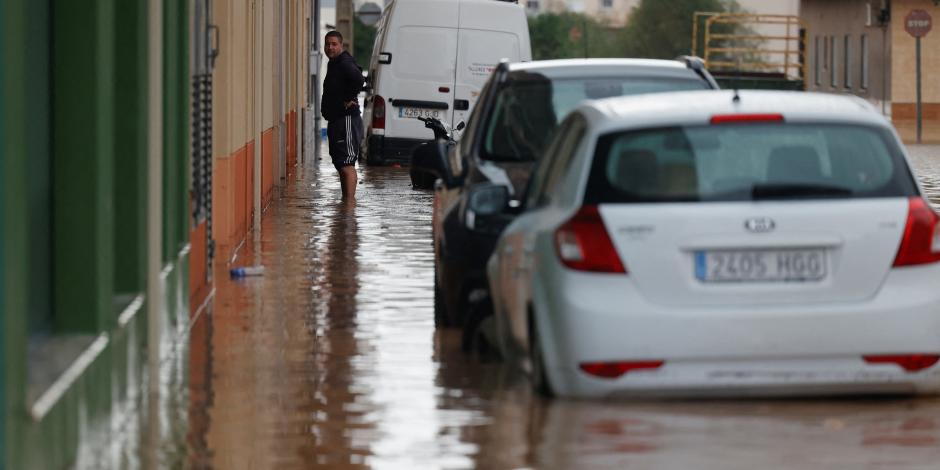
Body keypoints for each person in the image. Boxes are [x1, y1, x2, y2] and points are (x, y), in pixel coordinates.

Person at [322, 31, 365, 199]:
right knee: (341, 163)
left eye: (334, 44)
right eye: (327, 44)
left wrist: (347, 98)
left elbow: (358, 79)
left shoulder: (344, 61)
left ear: (341, 45)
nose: (330, 47)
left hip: (346, 119)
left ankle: (349, 206)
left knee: (347, 164)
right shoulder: (334, 63)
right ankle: (345, 204)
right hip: (337, 120)